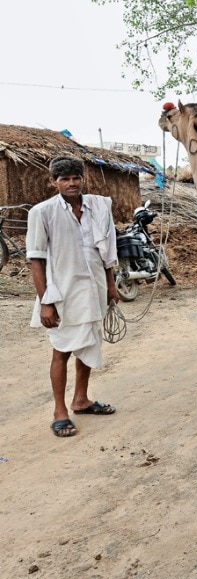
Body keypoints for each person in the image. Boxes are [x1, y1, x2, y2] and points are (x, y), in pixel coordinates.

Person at [27, 155, 120, 438]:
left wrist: (111, 285)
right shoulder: (42, 212)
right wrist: (46, 301)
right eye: (64, 179)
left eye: (75, 178)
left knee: (88, 343)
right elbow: (36, 260)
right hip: (62, 293)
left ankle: (81, 400)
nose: (71, 183)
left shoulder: (98, 207)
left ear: (83, 178)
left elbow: (106, 254)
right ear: (53, 181)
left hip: (93, 290)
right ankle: (59, 411)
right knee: (62, 350)